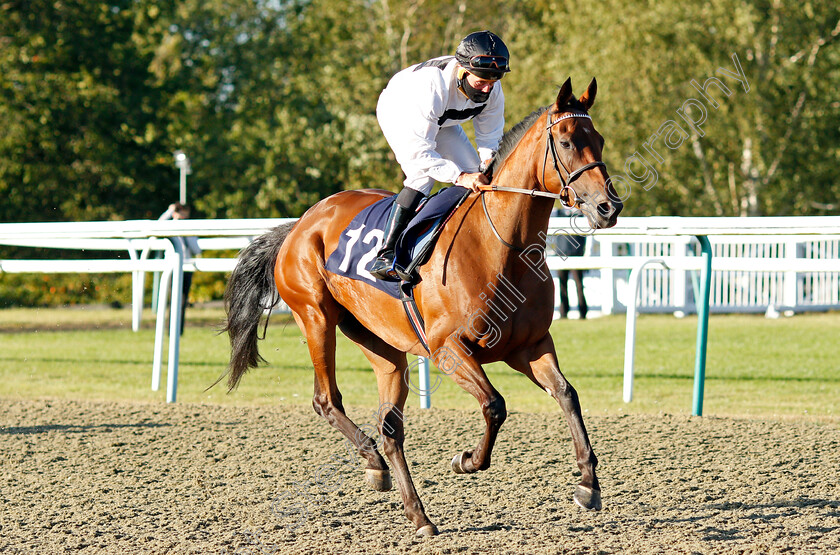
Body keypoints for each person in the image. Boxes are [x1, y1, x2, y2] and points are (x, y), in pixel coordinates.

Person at [369, 30, 511, 280]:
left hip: (441, 121)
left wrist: (486, 164)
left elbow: (489, 139)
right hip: (400, 111)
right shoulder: (433, 87)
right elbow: (420, 153)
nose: (487, 89)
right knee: (422, 176)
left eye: (493, 81)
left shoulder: (493, 89)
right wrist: (459, 177)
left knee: (479, 176)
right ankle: (386, 253)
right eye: (481, 82)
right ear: (463, 71)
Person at [158, 202, 202, 335]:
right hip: (172, 267)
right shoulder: (169, 226)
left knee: (183, 301)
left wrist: (188, 236)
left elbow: (196, 249)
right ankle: (170, 329)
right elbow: (158, 225)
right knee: (173, 300)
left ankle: (178, 330)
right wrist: (169, 212)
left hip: (186, 267)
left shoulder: (189, 228)